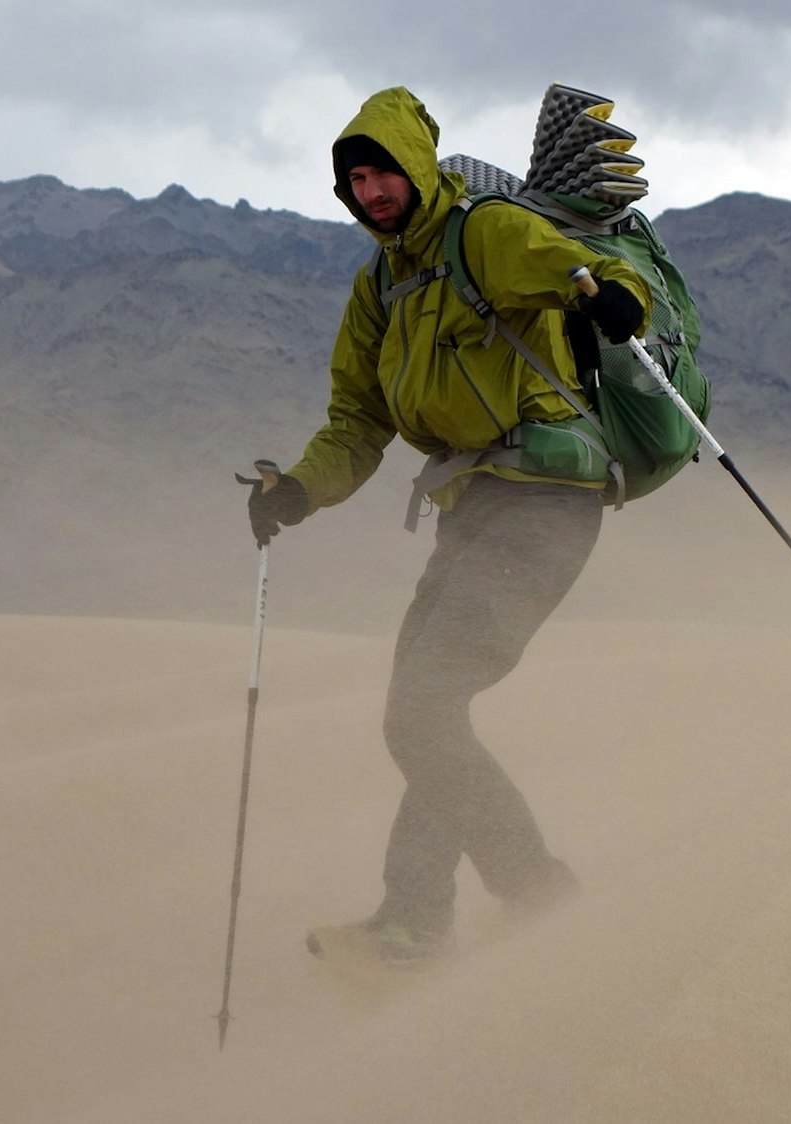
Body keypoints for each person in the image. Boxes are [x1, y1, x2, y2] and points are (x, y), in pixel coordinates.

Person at [247, 86, 650, 963]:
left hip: (545, 499)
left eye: (383, 169)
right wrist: (297, 491)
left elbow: (574, 267)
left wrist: (614, 300)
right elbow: (356, 422)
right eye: (355, 178)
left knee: (419, 713)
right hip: (471, 511)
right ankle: (417, 922)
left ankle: (520, 894)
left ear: (416, 167)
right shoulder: (379, 289)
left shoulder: (482, 234)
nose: (371, 189)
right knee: (427, 716)